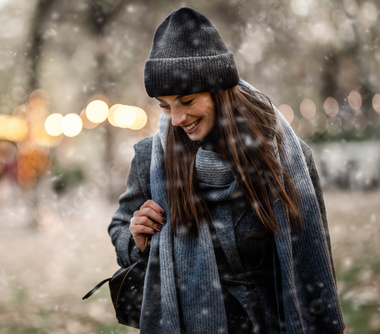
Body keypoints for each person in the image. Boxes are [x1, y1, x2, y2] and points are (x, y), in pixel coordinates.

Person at [108, 7, 345, 334]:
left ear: (220, 91)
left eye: (186, 101)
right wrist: (136, 238)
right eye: (165, 106)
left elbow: (315, 260)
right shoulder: (153, 158)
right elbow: (120, 227)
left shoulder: (285, 157)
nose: (176, 118)